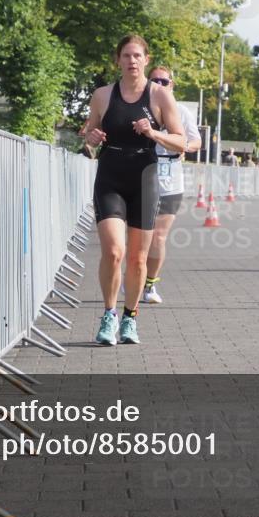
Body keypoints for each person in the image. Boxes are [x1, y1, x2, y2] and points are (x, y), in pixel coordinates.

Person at [84, 34, 185, 344]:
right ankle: (108, 315)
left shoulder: (159, 96)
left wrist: (153, 132)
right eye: (126, 56)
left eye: (137, 56)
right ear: (118, 60)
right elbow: (88, 134)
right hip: (110, 175)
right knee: (114, 252)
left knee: (138, 259)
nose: (132, 61)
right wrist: (92, 137)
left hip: (145, 177)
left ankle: (130, 318)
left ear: (146, 59)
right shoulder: (102, 95)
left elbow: (180, 141)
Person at [143, 66, 201, 305]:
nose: (160, 84)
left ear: (171, 84)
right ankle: (134, 275)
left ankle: (149, 285)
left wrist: (186, 146)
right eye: (155, 80)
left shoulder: (182, 111)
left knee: (158, 237)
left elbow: (197, 140)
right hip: (143, 174)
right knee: (137, 237)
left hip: (171, 179)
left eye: (164, 81)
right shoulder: (142, 108)